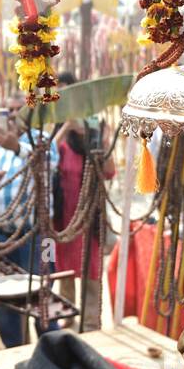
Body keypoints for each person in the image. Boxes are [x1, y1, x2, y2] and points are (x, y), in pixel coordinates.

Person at [0, 97, 59, 346]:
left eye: (17, 110)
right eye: (8, 111)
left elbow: (48, 165)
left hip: (36, 237)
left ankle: (52, 355)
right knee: (5, 301)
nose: (12, 115)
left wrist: (17, 148)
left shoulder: (42, 140)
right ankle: (14, 353)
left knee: (42, 299)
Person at [51, 73, 116, 330]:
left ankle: (91, 324)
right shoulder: (59, 132)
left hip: (90, 218)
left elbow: (110, 171)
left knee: (91, 272)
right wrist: (66, 127)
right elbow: (45, 161)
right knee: (64, 271)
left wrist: (102, 140)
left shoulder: (96, 130)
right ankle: (67, 315)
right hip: (63, 219)